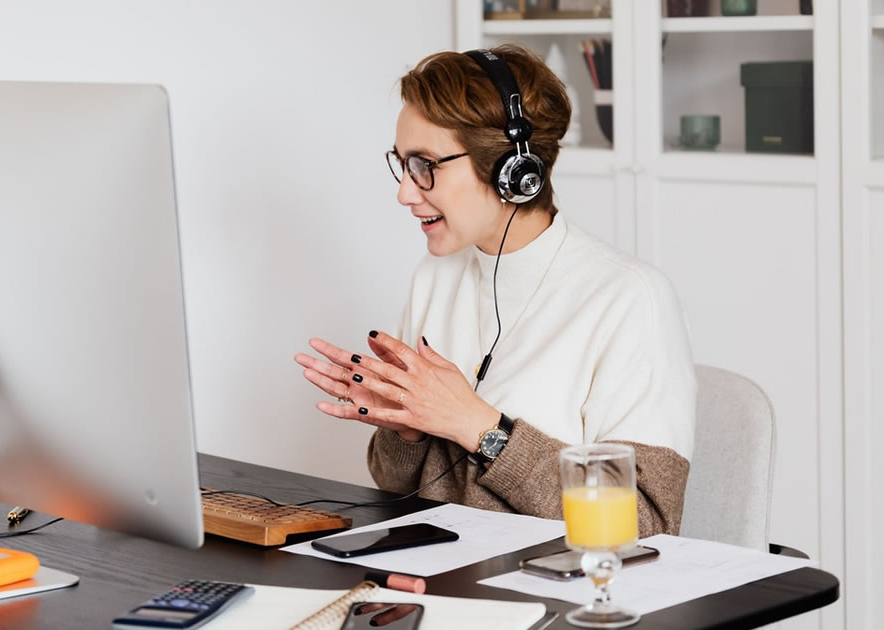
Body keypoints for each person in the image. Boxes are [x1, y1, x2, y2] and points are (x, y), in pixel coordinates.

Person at [294, 45, 695, 536]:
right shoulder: (434, 277)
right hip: (441, 582)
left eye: (425, 166)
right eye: (402, 164)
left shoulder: (629, 298)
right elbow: (396, 488)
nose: (404, 191)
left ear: (512, 169)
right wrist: (408, 430)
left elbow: (646, 523)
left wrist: (479, 427)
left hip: (558, 599)